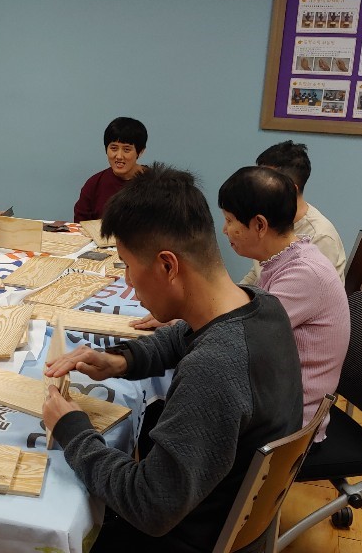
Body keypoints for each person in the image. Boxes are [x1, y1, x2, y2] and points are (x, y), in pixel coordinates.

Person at [44, 163, 303, 552]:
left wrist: (73, 430)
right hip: (219, 511)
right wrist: (123, 359)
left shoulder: (213, 369)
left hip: (184, 537)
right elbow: (184, 337)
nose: (128, 281)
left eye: (128, 267)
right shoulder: (263, 306)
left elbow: (149, 505)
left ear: (167, 265)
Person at [219, 166, 349, 442]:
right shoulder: (283, 260)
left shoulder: (304, 274)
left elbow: (238, 337)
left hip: (291, 426)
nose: (225, 230)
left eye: (229, 220)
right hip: (273, 402)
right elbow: (243, 309)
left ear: (259, 225)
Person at [241, 140, 346, 285]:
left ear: (289, 190)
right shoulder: (268, 220)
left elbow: (301, 293)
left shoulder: (320, 237)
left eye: (264, 185)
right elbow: (257, 275)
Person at [73, 117, 147, 222]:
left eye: (126, 149)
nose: (119, 156)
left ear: (140, 152)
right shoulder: (93, 185)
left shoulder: (157, 185)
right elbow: (80, 225)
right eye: (114, 148)